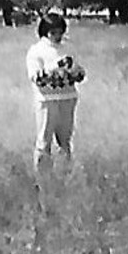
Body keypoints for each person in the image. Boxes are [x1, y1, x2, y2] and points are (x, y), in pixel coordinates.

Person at [25, 11, 85, 182]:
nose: (58, 36)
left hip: (68, 98)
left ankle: (66, 175)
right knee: (44, 141)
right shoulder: (36, 51)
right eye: (53, 32)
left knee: (65, 141)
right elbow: (36, 77)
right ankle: (43, 178)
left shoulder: (69, 48)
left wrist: (76, 71)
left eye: (60, 32)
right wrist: (55, 67)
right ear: (45, 31)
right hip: (47, 101)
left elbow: (78, 72)